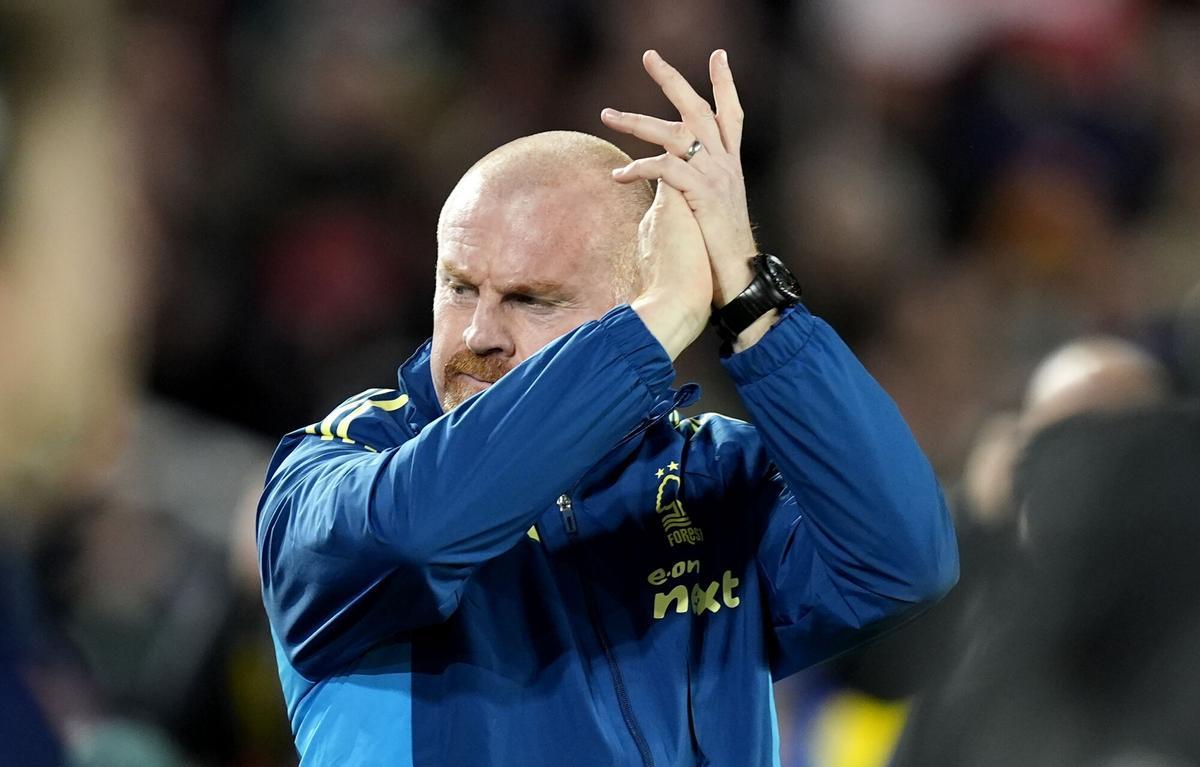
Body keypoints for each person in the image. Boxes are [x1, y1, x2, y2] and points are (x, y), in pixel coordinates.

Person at [257, 49, 959, 766]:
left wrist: (749, 298)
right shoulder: (337, 465)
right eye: (459, 286)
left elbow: (900, 561)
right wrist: (655, 326)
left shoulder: (714, 480)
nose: (478, 334)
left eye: (531, 299)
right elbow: (416, 537)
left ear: (634, 299)